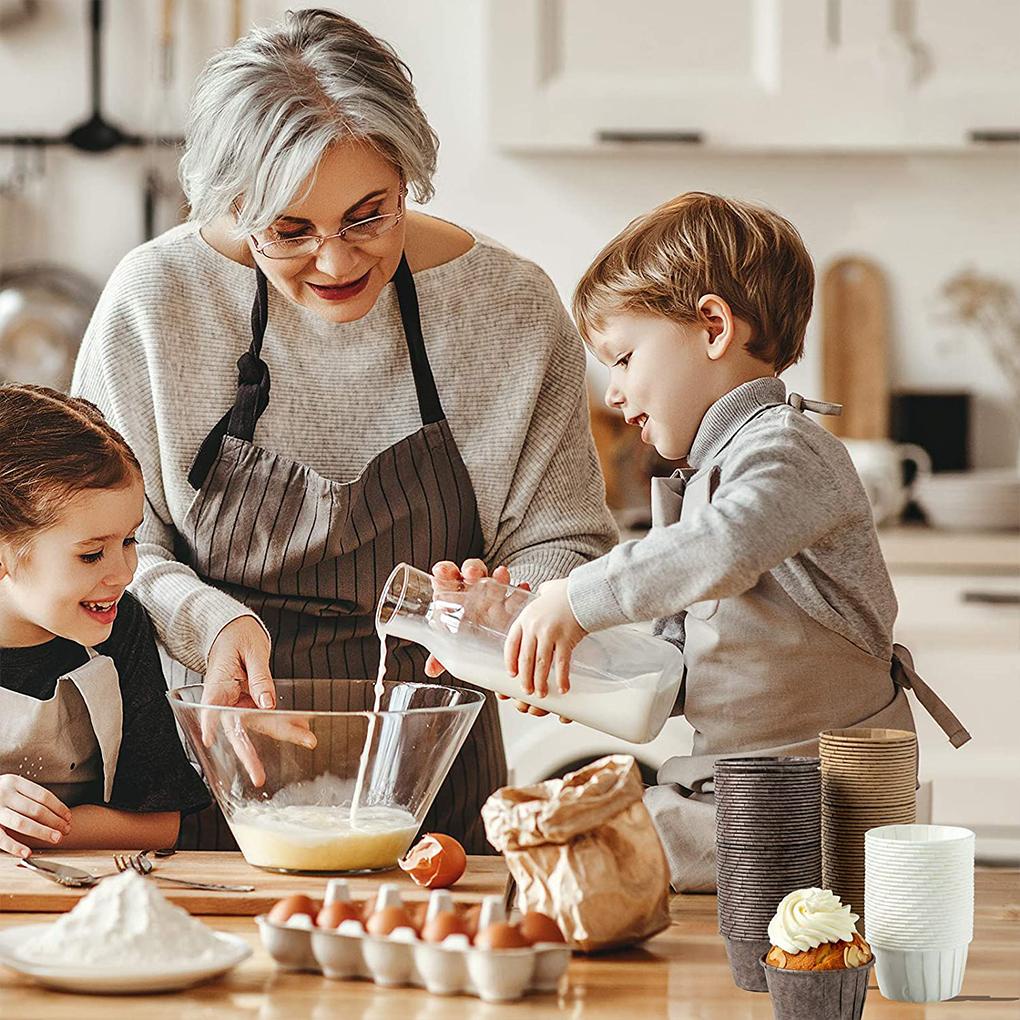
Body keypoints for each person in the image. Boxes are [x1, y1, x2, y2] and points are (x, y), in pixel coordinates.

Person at [71, 9, 616, 852]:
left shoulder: (509, 308)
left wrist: (509, 604)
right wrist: (212, 623)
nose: (335, 262)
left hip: (435, 784)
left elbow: (565, 538)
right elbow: (106, 549)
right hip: (208, 766)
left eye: (370, 216)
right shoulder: (155, 302)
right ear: (228, 206)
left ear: (410, 178)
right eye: (288, 231)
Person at [505, 192, 970, 890]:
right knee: (551, 839)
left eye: (625, 357)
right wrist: (562, 665)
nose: (615, 394)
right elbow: (671, 669)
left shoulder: (786, 450)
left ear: (714, 326)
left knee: (563, 861)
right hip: (734, 797)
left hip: (816, 812)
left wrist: (578, 595)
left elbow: (725, 546)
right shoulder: (697, 477)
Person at [0, 386, 210, 858]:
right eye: (92, 554)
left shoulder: (123, 628)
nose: (123, 573)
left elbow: (159, 826)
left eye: (130, 541)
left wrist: (26, 831)